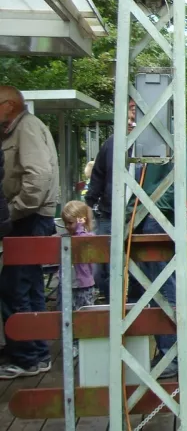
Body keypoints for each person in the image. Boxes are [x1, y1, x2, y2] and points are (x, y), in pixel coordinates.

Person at [0, 85, 58, 379]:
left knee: (15, 288)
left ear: (9, 105)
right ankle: (36, 352)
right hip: (30, 218)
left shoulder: (27, 128)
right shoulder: (18, 129)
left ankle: (27, 357)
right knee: (31, 286)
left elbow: (38, 176)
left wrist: (11, 212)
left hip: (28, 218)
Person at [126, 152, 187, 379]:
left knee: (163, 289)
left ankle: (172, 356)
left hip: (153, 220)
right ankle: (168, 353)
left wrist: (154, 208)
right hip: (144, 219)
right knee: (153, 291)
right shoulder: (147, 137)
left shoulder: (164, 132)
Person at [84, 100, 136, 303]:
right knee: (100, 269)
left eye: (135, 118)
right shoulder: (111, 144)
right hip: (108, 214)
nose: (131, 122)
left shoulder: (148, 147)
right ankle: (112, 304)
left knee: (136, 267)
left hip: (135, 216)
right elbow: (97, 176)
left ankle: (133, 310)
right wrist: (88, 204)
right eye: (129, 118)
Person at [58, 201, 97, 358]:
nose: (67, 226)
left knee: (84, 313)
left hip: (84, 285)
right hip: (68, 284)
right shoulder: (67, 238)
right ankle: (73, 344)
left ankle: (85, 343)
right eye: (65, 223)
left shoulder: (86, 237)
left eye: (71, 223)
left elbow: (86, 239)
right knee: (68, 314)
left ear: (81, 221)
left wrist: (80, 227)